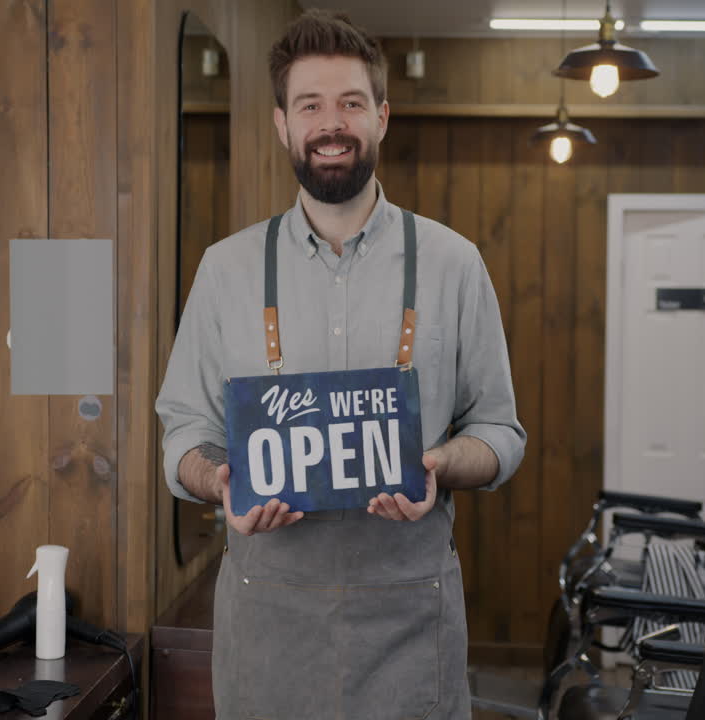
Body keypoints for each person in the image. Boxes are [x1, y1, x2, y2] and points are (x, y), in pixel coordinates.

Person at [156, 10, 526, 719]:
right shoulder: (224, 270)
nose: (332, 122)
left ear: (382, 117)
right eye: (311, 105)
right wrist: (217, 478)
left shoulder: (454, 264)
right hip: (267, 628)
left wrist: (442, 463)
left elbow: (503, 435)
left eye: (351, 103)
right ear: (282, 124)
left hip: (412, 622)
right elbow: (181, 434)